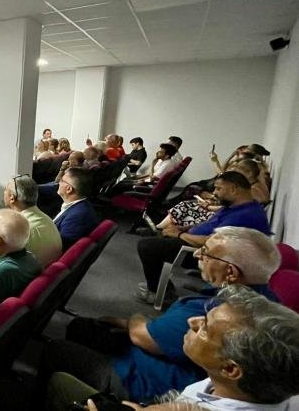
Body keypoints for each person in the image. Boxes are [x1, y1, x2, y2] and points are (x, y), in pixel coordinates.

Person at [41, 226, 282, 404]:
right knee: (83, 327)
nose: (197, 255)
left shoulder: (218, 312)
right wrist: (126, 322)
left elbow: (143, 337)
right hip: (166, 361)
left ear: (230, 272)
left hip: (149, 381)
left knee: (58, 351)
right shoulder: (265, 302)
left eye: (206, 253)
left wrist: (134, 319)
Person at [43, 284, 299, 411]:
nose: (192, 321)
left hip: (136, 387)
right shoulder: (244, 390)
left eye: (205, 327)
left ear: (231, 368)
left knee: (60, 374)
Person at [135, 171, 271, 303]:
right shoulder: (237, 206)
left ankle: (162, 294)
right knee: (157, 237)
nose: (215, 193)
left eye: (218, 188)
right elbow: (210, 224)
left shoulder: (244, 215)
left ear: (233, 189)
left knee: (147, 246)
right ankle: (162, 285)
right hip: (194, 242)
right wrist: (182, 228)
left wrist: (179, 234)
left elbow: (213, 243)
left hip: (204, 253)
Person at [4, 175, 62, 267]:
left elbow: (1, 271)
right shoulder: (46, 218)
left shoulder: (19, 230)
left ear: (12, 198)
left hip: (26, 278)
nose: (4, 192)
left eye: (5, 189)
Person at [52, 167, 99, 249]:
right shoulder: (81, 205)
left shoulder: (77, 216)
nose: (59, 182)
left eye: (62, 180)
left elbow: (61, 246)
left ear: (69, 189)